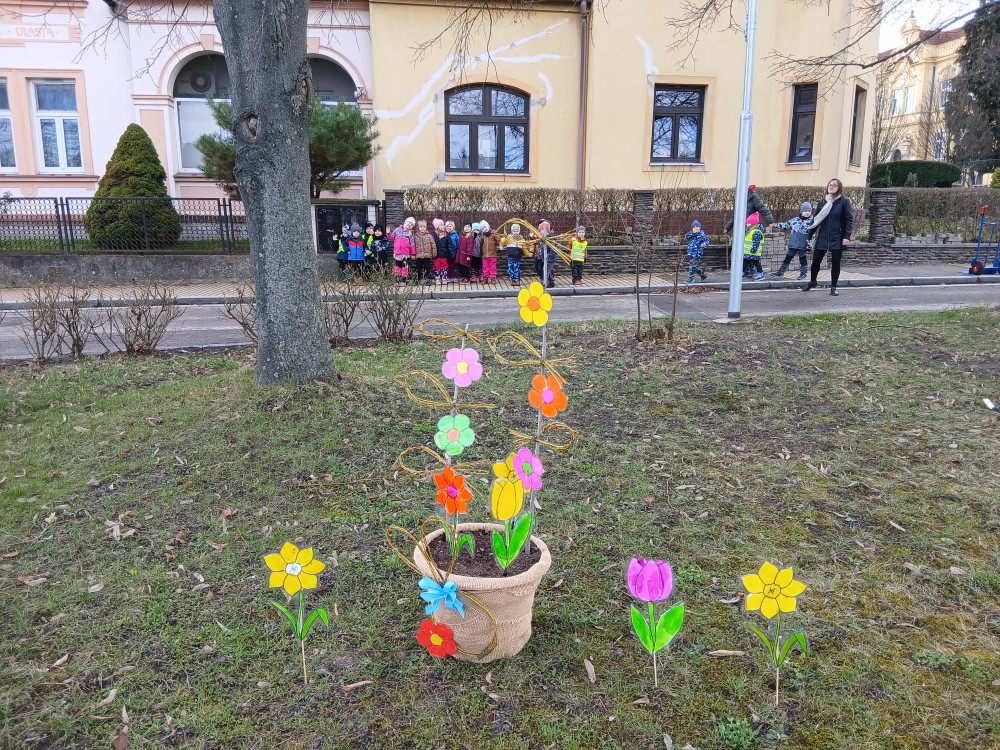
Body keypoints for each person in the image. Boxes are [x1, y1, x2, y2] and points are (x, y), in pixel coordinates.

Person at [803, 177, 853, 297]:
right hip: (823, 237)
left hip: (837, 237)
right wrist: (809, 234)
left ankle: (833, 287)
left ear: (839, 188)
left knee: (835, 263)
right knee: (816, 261)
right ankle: (813, 281)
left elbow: (849, 220)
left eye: (834, 185)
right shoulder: (822, 202)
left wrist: (846, 236)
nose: (831, 186)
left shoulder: (844, 202)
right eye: (830, 184)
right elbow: (816, 219)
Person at [772, 202, 814, 280]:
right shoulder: (795, 220)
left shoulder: (812, 221)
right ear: (801, 211)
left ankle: (803, 274)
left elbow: (812, 234)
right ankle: (781, 271)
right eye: (805, 211)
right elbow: (785, 225)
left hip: (803, 243)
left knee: (803, 259)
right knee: (788, 257)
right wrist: (775, 225)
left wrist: (810, 244)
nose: (808, 212)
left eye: (809, 211)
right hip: (793, 242)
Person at [684, 219, 710, 284]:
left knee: (692, 265)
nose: (696, 228)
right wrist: (692, 233)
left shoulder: (702, 235)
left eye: (697, 226)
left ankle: (691, 278)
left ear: (700, 227)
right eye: (694, 227)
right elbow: (686, 236)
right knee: (695, 266)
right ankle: (703, 275)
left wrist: (703, 244)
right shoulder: (691, 235)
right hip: (691, 252)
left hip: (697, 253)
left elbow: (707, 241)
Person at [392, 217, 416, 284]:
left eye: (412, 224)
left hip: (405, 254)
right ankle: (397, 280)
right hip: (397, 253)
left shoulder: (410, 233)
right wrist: (388, 234)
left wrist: (413, 253)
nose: (410, 224)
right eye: (409, 222)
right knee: (397, 267)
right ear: (405, 222)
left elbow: (412, 244)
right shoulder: (397, 229)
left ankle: (403, 281)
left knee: (404, 267)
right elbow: (392, 237)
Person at [743, 212, 765, 281]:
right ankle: (742, 272)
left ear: (752, 224)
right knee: (745, 262)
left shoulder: (756, 232)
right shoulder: (750, 231)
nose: (747, 224)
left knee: (756, 263)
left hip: (753, 252)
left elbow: (756, 242)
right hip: (748, 252)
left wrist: (753, 250)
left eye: (748, 223)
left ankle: (760, 274)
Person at [413, 219, 436, 286]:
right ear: (418, 227)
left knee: (427, 268)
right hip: (418, 256)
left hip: (427, 255)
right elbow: (412, 245)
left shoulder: (429, 236)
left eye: (424, 227)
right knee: (418, 268)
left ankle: (427, 279)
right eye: (421, 227)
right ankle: (417, 279)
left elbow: (433, 245)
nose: (422, 228)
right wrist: (413, 254)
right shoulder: (415, 236)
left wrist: (433, 253)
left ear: (426, 227)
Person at [535, 219, 557, 288]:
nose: (541, 233)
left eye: (543, 231)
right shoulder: (541, 239)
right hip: (542, 258)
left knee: (547, 270)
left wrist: (550, 258)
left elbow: (553, 250)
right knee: (541, 269)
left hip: (549, 258)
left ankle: (548, 282)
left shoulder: (550, 239)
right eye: (540, 231)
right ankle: (544, 282)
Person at [480, 220, 498, 284]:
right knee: (485, 267)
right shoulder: (483, 237)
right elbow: (481, 245)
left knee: (492, 267)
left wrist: (501, 245)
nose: (485, 228)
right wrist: (481, 253)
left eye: (485, 227)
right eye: (483, 228)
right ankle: (485, 278)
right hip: (485, 256)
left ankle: (493, 278)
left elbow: (498, 240)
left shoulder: (493, 234)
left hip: (492, 255)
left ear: (488, 227)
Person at [433, 220, 450, 284]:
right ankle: (437, 278)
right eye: (441, 225)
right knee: (437, 266)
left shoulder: (447, 235)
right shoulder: (434, 235)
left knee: (444, 267)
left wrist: (451, 254)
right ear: (437, 227)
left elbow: (449, 245)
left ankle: (444, 278)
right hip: (437, 255)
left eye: (443, 225)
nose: (443, 226)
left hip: (444, 255)